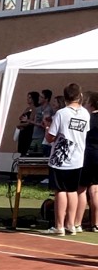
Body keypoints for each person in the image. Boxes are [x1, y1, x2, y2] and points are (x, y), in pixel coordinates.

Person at [45, 82, 90, 236]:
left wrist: (47, 128)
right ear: (80, 96)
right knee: (72, 191)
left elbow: (51, 137)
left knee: (60, 191)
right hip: (77, 157)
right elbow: (84, 132)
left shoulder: (61, 113)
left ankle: (59, 226)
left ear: (65, 98)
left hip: (60, 158)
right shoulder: (85, 113)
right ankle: (71, 224)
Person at [83, 91, 98, 231]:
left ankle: (94, 222)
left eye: (86, 102)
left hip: (91, 154)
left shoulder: (88, 118)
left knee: (92, 189)